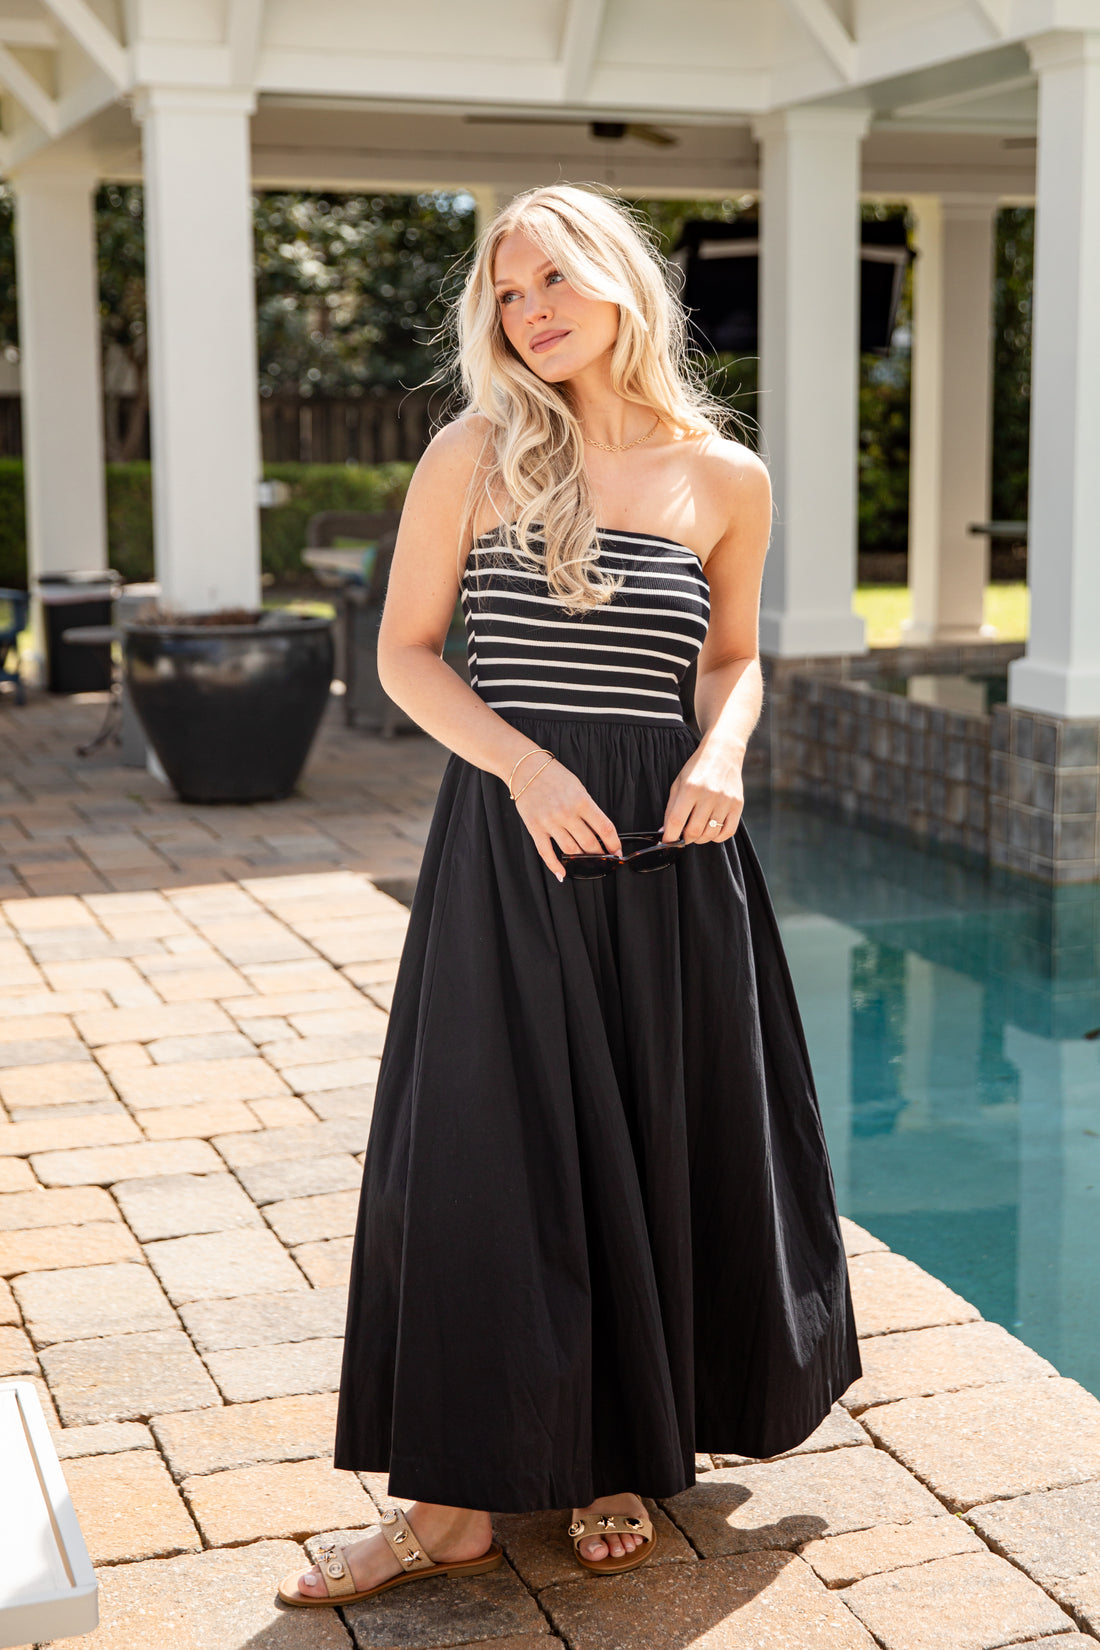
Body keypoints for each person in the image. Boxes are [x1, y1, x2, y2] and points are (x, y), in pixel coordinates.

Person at [279, 183, 861, 1610]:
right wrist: (529, 773)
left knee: (657, 1144)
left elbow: (728, 659)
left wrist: (725, 748)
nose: (528, 312)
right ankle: (450, 1502)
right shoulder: (472, 453)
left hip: (672, 858)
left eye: (552, 281)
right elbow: (409, 654)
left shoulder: (725, 475)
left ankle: (618, 1455)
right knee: (485, 1157)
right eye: (507, 291)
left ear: (619, 285)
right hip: (515, 845)